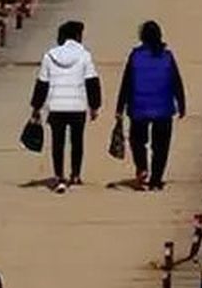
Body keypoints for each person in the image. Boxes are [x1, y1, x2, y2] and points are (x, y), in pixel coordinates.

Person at [30, 20, 101, 194]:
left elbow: (42, 84)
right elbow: (92, 82)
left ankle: (59, 175)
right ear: (77, 36)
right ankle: (75, 174)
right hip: (77, 105)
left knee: (57, 143)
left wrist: (36, 107)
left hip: (56, 105)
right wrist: (94, 106)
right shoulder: (85, 55)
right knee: (77, 141)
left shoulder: (49, 56)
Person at [115, 21, 187, 191]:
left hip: (138, 107)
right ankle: (156, 180)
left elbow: (126, 83)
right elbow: (177, 82)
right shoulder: (167, 56)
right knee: (161, 146)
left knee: (137, 141)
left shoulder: (135, 56)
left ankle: (142, 167)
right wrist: (182, 104)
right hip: (163, 108)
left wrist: (119, 108)